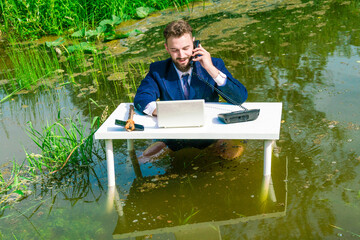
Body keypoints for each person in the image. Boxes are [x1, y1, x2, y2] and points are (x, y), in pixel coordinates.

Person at [134, 19, 248, 159]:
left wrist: (210, 69)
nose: (181, 55)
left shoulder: (214, 64)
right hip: (173, 136)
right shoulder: (158, 70)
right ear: (166, 48)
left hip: (210, 134)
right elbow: (141, 98)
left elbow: (239, 97)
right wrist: (161, 111)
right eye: (175, 50)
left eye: (186, 48)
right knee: (145, 158)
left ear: (195, 44)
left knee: (231, 155)